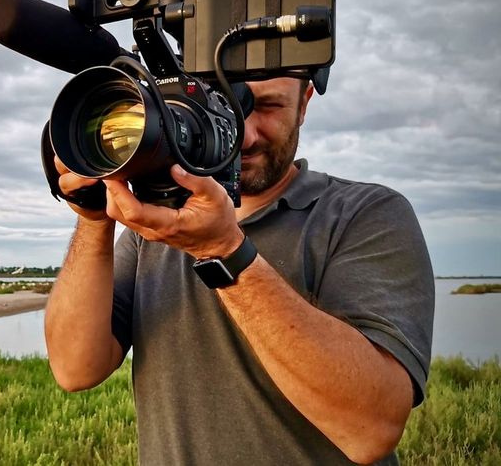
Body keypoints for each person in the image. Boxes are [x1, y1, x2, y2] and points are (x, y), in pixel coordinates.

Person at [44, 77, 435, 465]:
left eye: (266, 107)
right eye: (221, 107)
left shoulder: (363, 213)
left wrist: (222, 251)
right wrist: (95, 218)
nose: (242, 137)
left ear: (304, 102)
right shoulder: (156, 228)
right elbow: (75, 368)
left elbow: (371, 430)